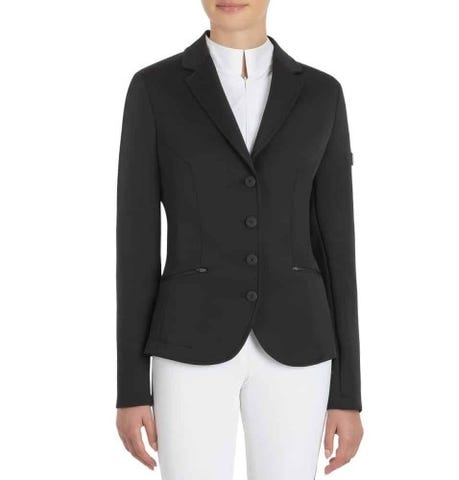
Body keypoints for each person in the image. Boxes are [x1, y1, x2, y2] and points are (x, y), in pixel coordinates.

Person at [115, 1, 364, 478]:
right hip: (188, 342)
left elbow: (338, 248)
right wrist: (131, 389)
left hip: (300, 345)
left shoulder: (322, 95)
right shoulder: (154, 89)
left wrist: (347, 394)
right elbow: (136, 245)